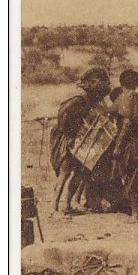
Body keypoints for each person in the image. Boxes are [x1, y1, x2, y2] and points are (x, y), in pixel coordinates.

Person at [49, 68, 111, 218]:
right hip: (68, 139)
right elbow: (62, 115)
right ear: (93, 83)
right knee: (64, 174)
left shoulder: (92, 99)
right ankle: (54, 208)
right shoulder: (79, 99)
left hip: (80, 140)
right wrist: (70, 134)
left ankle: (67, 205)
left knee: (79, 173)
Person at [109, 69, 138, 222]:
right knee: (136, 176)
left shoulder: (126, 97)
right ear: (137, 83)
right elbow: (112, 110)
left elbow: (126, 123)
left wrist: (118, 146)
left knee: (130, 176)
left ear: (121, 83)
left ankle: (136, 213)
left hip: (130, 143)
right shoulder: (134, 97)